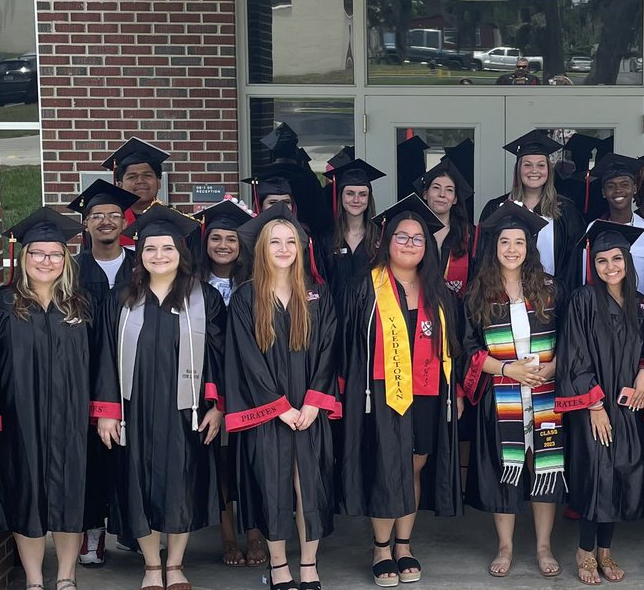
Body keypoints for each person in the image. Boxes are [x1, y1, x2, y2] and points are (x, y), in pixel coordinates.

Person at [0, 207, 92, 590]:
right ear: (23, 256)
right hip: (19, 418)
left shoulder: (82, 305)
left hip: (71, 419)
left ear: (65, 259)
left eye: (54, 254)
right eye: (37, 253)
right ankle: (34, 579)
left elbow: (102, 362)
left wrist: (104, 411)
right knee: (24, 495)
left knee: (70, 495)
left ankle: (66, 576)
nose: (45, 261)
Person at [93, 204, 226, 590]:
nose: (159, 255)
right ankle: (152, 565)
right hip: (133, 411)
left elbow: (220, 356)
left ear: (181, 253)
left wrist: (217, 406)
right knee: (138, 485)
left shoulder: (203, 298)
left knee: (180, 484)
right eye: (150, 249)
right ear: (140, 255)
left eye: (167, 248)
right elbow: (104, 355)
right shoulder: (121, 299)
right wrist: (106, 411)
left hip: (186, 410)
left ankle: (175, 564)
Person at [340, 194, 462, 587]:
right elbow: (349, 346)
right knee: (386, 465)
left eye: (418, 238)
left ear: (427, 246)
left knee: (414, 465)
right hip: (380, 392)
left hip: (426, 391)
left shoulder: (438, 292)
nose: (410, 244)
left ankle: (403, 544)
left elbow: (452, 346)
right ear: (386, 241)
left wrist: (456, 391)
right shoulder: (365, 287)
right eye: (402, 237)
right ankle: (381, 548)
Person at [224, 204, 341, 590]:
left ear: (301, 247)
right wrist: (279, 407)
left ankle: (308, 564)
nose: (284, 248)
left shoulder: (318, 295)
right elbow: (246, 358)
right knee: (273, 486)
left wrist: (313, 401)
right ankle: (279, 566)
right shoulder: (246, 298)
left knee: (309, 486)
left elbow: (329, 349)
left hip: (309, 410)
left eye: (291, 241)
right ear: (261, 248)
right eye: (275, 241)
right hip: (268, 412)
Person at [461, 202, 564, 579]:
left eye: (519, 242)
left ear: (529, 247)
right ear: (494, 246)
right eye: (505, 241)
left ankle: (543, 546)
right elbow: (468, 349)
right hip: (502, 394)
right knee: (507, 467)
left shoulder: (550, 288)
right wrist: (508, 369)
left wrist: (554, 366)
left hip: (545, 393)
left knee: (543, 467)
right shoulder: (478, 292)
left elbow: (570, 338)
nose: (512, 249)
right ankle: (505, 546)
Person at [556, 221, 644, 586]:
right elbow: (574, 353)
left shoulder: (640, 302)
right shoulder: (583, 299)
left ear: (627, 259)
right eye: (601, 261)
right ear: (592, 264)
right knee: (596, 473)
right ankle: (584, 550)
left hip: (626, 404)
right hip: (593, 405)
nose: (610, 267)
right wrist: (594, 405)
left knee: (621, 470)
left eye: (616, 259)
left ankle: (605, 550)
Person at [66, 179, 138, 567]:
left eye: (113, 215)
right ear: (86, 224)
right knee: (92, 458)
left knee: (133, 455)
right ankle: (92, 532)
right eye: (97, 216)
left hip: (137, 375)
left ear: (124, 222)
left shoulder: (141, 264)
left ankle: (133, 528)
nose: (106, 221)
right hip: (86, 376)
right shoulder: (71, 269)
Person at [197, 199, 266, 569]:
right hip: (207, 386)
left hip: (249, 385)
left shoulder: (254, 283)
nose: (223, 245)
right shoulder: (193, 284)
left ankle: (254, 535)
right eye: (216, 238)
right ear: (205, 241)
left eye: (231, 239)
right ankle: (227, 536)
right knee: (220, 465)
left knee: (251, 463)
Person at [480, 130, 585, 284]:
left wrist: (559, 292)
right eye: (527, 165)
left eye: (541, 165)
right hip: (505, 292)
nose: (534, 170)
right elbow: (485, 256)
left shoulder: (566, 211)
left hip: (553, 294)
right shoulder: (497, 208)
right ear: (518, 170)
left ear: (548, 170)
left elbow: (573, 263)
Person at [580, 153, 644, 301]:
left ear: (634, 188)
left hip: (643, 311)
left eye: (625, 184)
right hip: (599, 310)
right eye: (611, 186)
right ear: (603, 193)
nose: (618, 190)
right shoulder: (591, 231)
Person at [316, 158, 385, 313]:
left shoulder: (381, 237)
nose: (356, 200)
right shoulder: (326, 240)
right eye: (350, 193)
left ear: (369, 198)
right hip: (334, 318)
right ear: (341, 196)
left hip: (372, 317)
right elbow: (321, 284)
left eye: (362, 194)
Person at [416, 156, 475, 297]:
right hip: (418, 306)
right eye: (436, 188)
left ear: (455, 199)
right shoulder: (413, 232)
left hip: (458, 307)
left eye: (449, 190)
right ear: (425, 194)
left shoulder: (469, 234)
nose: (442, 195)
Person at [101, 137, 171, 242]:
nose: (140, 181)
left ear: (159, 182)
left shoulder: (176, 221)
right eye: (132, 177)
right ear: (120, 185)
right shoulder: (105, 225)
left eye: (147, 175)